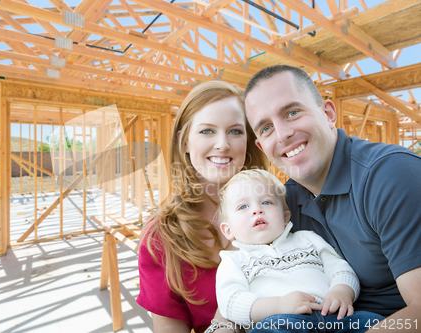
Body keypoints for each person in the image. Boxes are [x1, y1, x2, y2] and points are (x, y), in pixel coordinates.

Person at [244, 64, 421, 330]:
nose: (282, 134)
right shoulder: (287, 203)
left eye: (292, 113)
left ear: (328, 114)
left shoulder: (389, 174)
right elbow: (243, 266)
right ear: (262, 147)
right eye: (266, 128)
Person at [136, 81, 268, 333]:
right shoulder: (161, 237)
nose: (222, 144)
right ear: (184, 142)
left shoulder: (279, 208)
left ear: (248, 142)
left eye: (235, 131)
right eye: (207, 131)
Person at [215, 169, 383, 332]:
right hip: (280, 321)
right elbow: (230, 302)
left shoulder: (307, 239)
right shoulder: (233, 260)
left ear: (286, 217)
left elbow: (340, 268)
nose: (257, 210)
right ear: (228, 230)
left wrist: (341, 292)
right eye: (243, 207)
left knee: (372, 321)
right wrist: (279, 305)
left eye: (266, 202)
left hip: (333, 315)